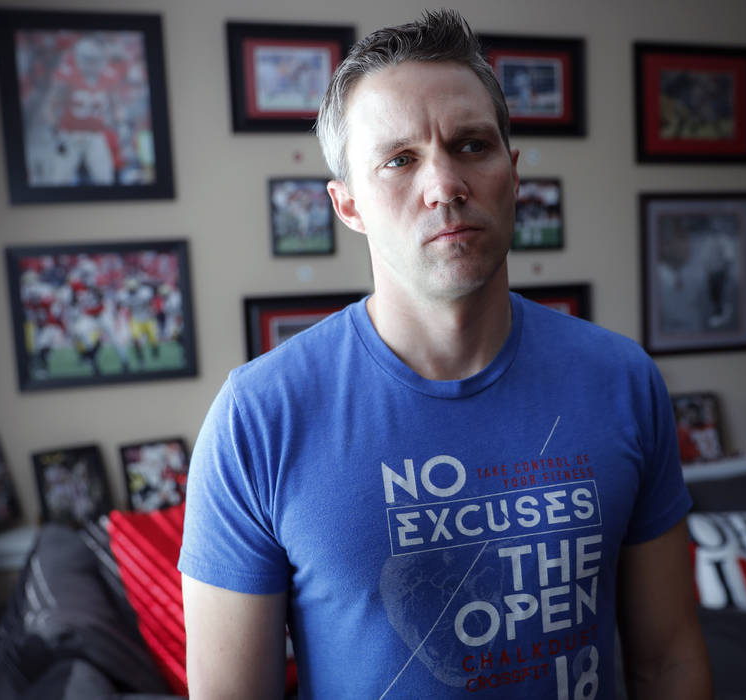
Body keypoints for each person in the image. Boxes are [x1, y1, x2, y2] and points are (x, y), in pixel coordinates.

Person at [179, 10, 710, 700]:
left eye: (470, 146)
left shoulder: (622, 380)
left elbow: (667, 661)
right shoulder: (259, 417)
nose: (444, 185)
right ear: (348, 207)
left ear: (513, 174)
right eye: (400, 160)